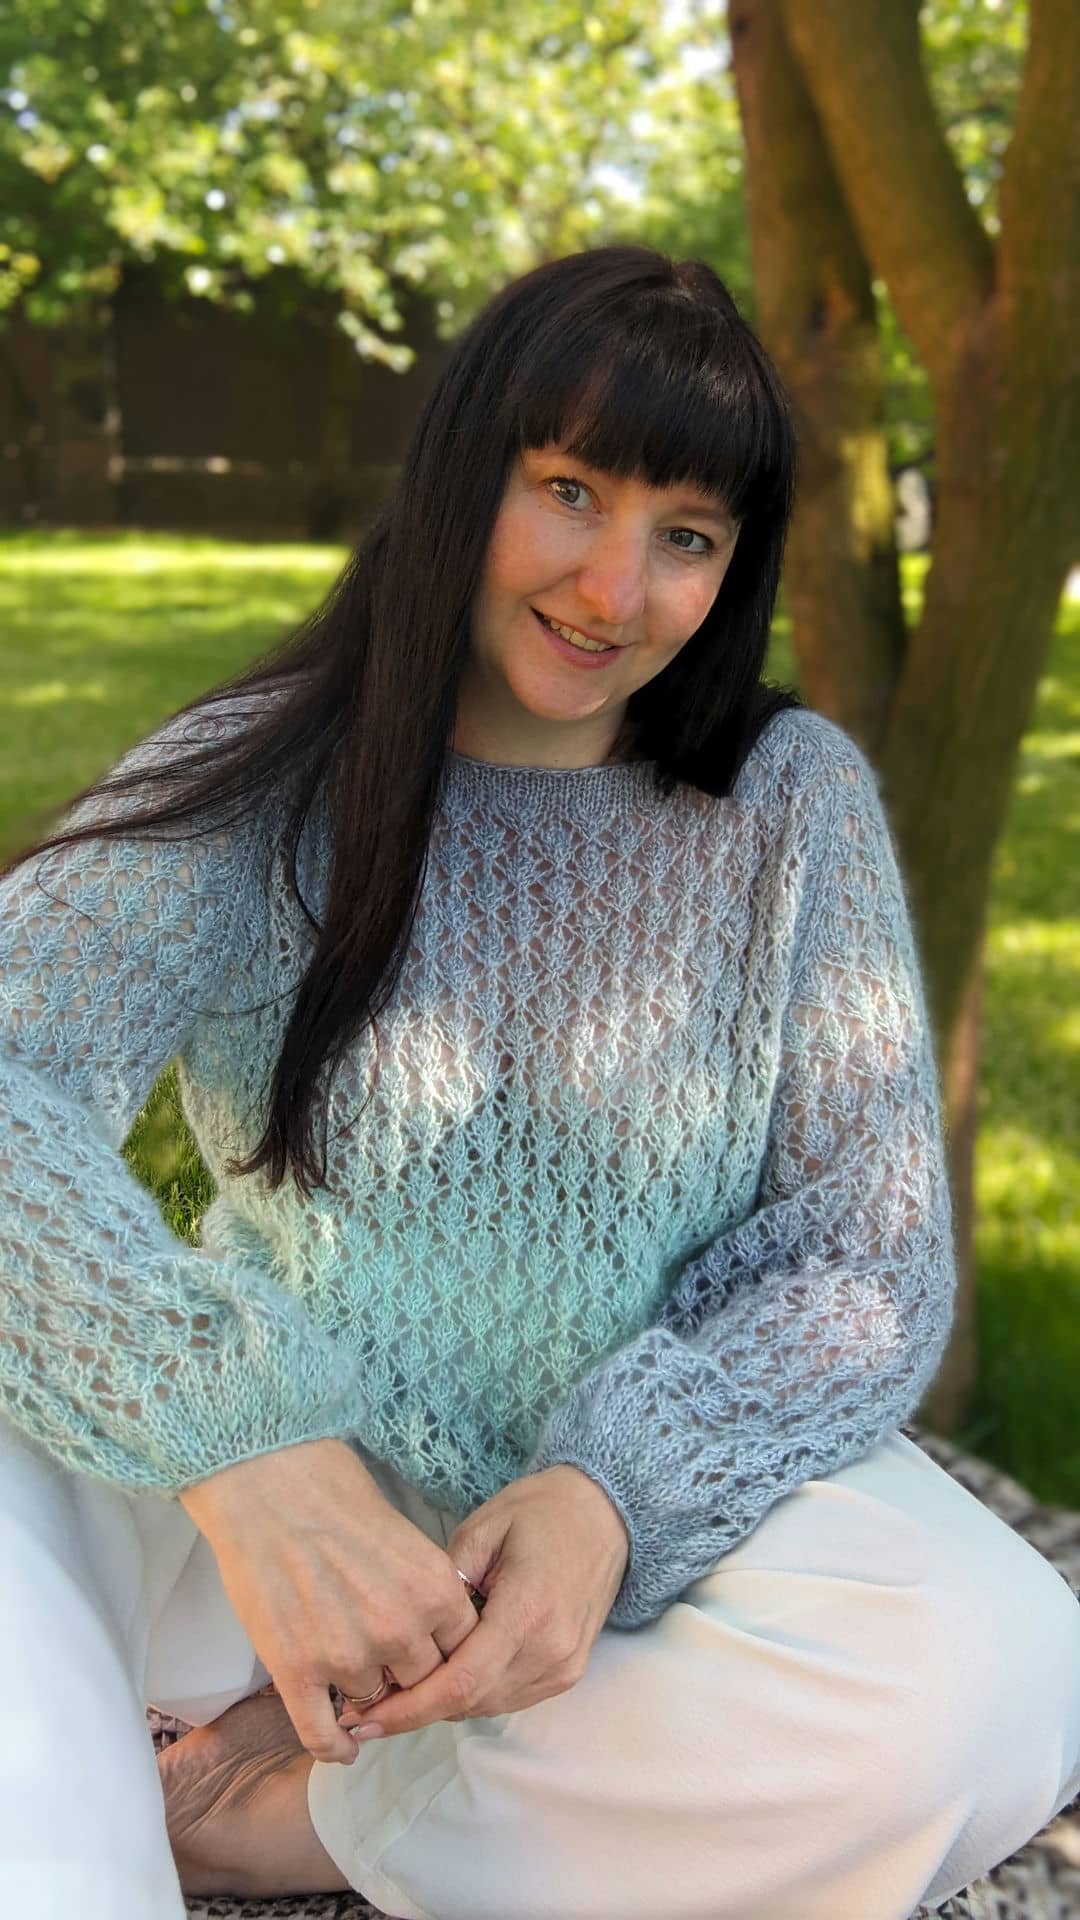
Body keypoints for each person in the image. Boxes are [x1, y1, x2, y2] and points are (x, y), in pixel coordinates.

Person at [0, 244, 1077, 1920]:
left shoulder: (785, 804)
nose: (614, 588)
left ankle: (306, 1818)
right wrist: (238, 1443)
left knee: (1004, 1667)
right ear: (464, 473)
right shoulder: (261, 780)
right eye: (569, 490)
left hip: (612, 1569)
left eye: (688, 536)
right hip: (249, 1532)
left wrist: (611, 1496)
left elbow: (861, 1255)